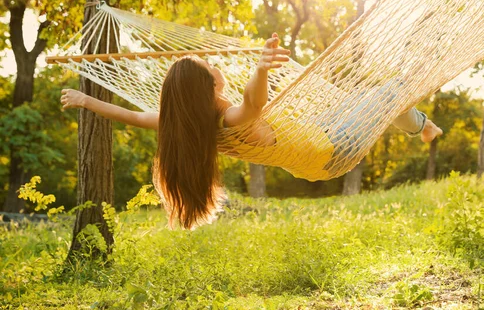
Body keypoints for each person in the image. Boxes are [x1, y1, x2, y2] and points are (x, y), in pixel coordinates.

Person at [61, 34, 442, 229]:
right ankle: (424, 127)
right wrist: (260, 70)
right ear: (210, 87)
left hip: (321, 134)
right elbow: (254, 103)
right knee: (390, 92)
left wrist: (86, 101)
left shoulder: (186, 124)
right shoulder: (227, 120)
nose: (216, 66)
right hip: (332, 148)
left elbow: (132, 115)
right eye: (211, 67)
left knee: (372, 98)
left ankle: (423, 127)